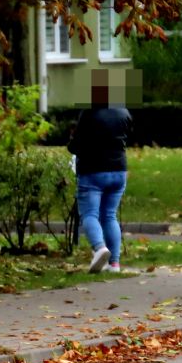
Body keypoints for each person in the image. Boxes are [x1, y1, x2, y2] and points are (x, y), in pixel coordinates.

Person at [68, 81, 132, 273]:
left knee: (89, 214)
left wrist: (71, 145)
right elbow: (128, 135)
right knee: (109, 215)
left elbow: (76, 144)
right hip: (119, 170)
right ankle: (115, 263)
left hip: (93, 171)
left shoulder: (89, 114)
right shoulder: (123, 112)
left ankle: (99, 248)